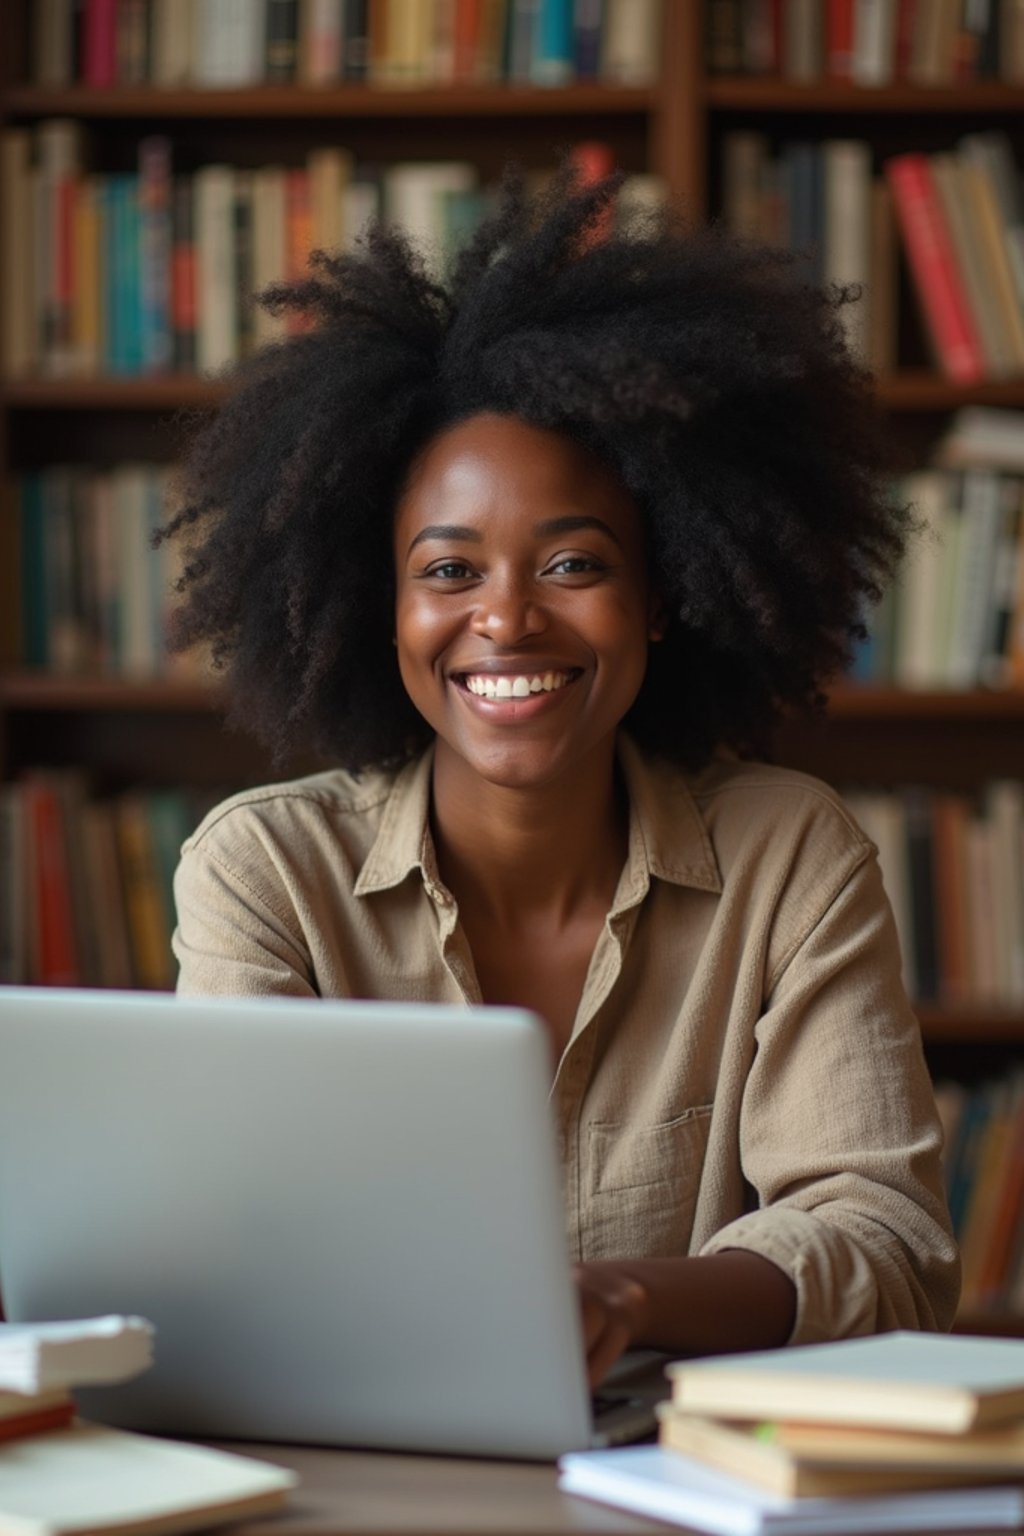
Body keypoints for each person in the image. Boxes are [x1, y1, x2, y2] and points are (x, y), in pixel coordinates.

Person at [162, 167, 960, 1386]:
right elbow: (239, 1237)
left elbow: (888, 1239)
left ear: (662, 596)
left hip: (680, 1477)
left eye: (574, 563)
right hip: (367, 1457)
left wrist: (626, 1301)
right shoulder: (264, 872)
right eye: (447, 571)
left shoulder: (786, 852)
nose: (507, 620)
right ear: (376, 608)